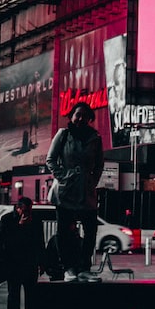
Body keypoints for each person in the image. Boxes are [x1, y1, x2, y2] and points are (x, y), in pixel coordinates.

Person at [45, 101, 104, 280]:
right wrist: (64, 177)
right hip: (65, 191)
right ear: (71, 116)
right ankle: (68, 267)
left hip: (86, 192)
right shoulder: (63, 135)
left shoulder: (95, 138)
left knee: (91, 230)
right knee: (64, 231)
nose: (80, 118)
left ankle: (84, 266)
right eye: (77, 114)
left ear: (90, 119)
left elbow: (99, 164)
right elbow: (51, 160)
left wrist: (92, 182)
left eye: (85, 116)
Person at [0, 196, 45, 309]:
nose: (27, 214)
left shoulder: (35, 220)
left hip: (30, 263)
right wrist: (20, 226)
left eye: (30, 210)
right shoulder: (7, 220)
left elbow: (40, 241)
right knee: (13, 295)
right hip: (14, 264)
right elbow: (5, 242)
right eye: (25, 210)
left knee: (31, 295)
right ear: (18, 208)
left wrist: (41, 261)